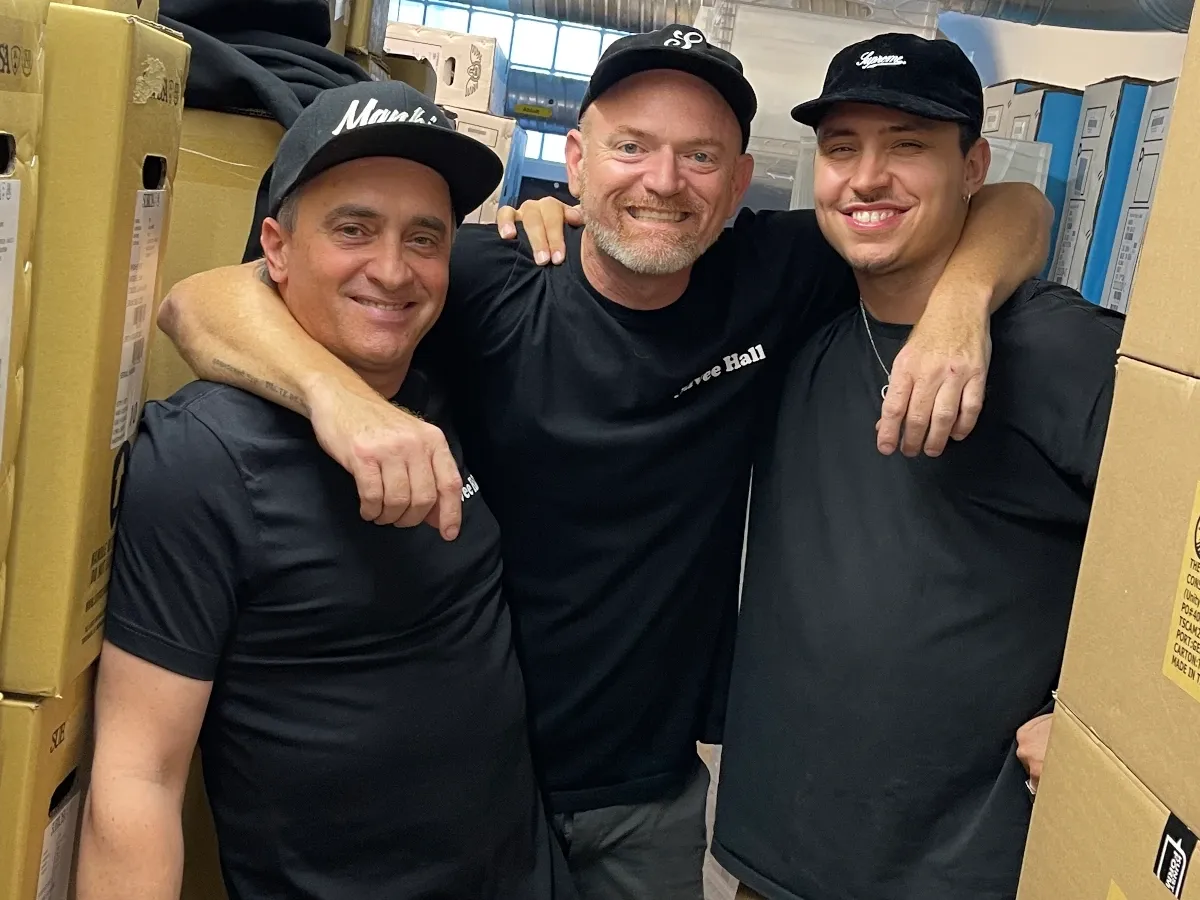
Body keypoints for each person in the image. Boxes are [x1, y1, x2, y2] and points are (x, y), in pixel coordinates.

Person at [151, 26, 1053, 900]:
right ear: (576, 161)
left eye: (701, 156)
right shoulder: (487, 277)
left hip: (644, 798)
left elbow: (1013, 205)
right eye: (631, 146)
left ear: (740, 182)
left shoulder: (774, 272)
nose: (663, 181)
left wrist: (959, 307)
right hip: (471, 782)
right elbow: (200, 302)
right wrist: (338, 398)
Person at [77, 81, 573, 900]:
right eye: (353, 229)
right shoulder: (204, 457)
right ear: (274, 248)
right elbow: (138, 779)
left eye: (424, 237)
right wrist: (330, 396)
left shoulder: (443, 375)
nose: (393, 269)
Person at [701, 34, 1120, 900]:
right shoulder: (798, 325)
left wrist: (1109, 718)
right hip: (772, 859)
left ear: (973, 168)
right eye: (842, 148)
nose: (867, 178)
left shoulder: (1059, 349)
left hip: (956, 872)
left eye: (908, 145)